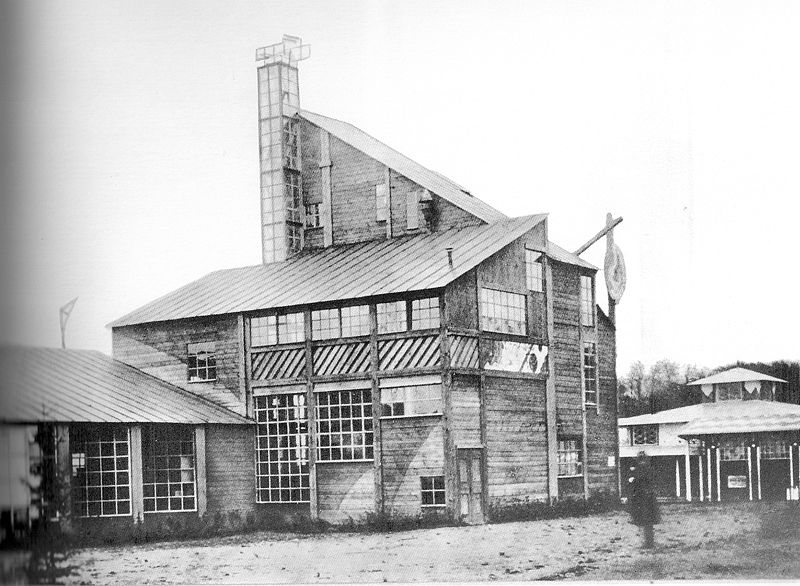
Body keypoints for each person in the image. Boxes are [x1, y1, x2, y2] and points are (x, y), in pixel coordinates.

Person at [628, 450, 660, 549]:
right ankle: (648, 542)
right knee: (646, 522)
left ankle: (648, 543)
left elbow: (642, 480)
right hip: (646, 497)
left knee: (645, 521)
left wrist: (633, 479)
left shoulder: (643, 469)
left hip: (644, 498)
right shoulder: (647, 468)